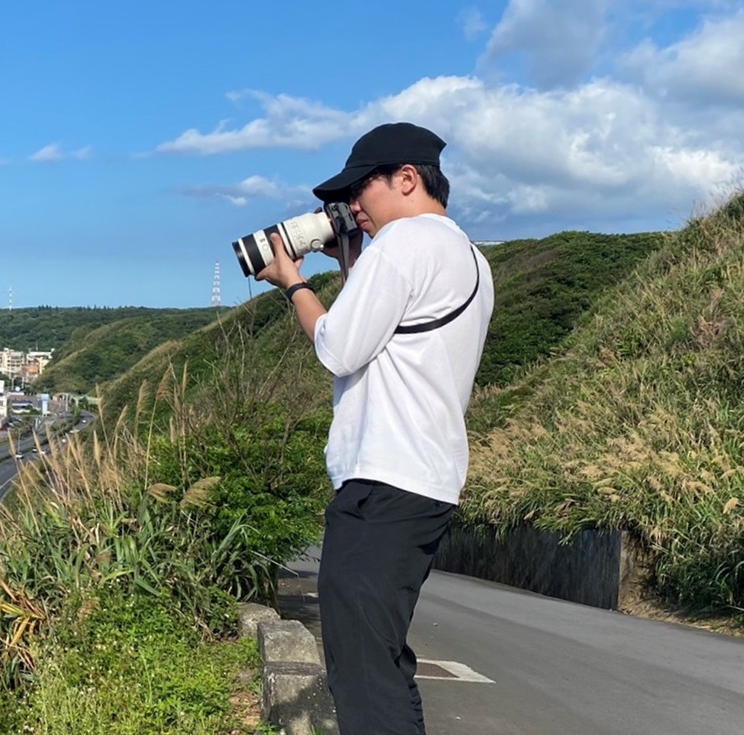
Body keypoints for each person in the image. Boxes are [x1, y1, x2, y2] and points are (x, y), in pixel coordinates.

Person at [253, 122, 494, 735]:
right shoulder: (466, 255)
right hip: (426, 479)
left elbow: (339, 346)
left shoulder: (405, 243)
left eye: (362, 189)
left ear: (407, 179)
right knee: (380, 655)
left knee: (361, 663)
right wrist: (351, 262)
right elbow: (390, 333)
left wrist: (294, 283)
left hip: (383, 479)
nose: (351, 205)